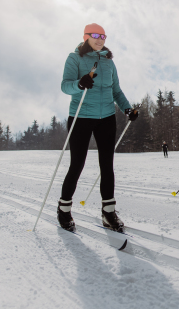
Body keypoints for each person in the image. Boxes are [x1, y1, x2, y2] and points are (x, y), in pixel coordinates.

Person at [58, 23, 138, 232]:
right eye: (95, 35)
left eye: (103, 36)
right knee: (77, 165)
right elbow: (65, 85)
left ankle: (108, 213)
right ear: (86, 37)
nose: (100, 39)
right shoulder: (74, 58)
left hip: (107, 118)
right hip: (81, 116)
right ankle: (64, 210)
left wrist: (127, 109)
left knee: (107, 166)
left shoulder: (109, 63)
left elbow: (116, 91)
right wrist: (80, 84)